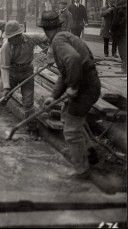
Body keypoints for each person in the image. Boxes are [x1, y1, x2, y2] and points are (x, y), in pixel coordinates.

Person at [38, 10, 101, 179]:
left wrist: (73, 86)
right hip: (88, 83)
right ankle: (88, 151)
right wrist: (54, 96)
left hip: (84, 87)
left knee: (71, 130)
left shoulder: (58, 41)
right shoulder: (66, 36)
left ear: (45, 30)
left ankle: (81, 170)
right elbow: (63, 74)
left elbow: (73, 59)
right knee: (67, 116)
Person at [0, 21, 50, 139]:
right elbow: (5, 68)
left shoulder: (31, 38)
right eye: (9, 37)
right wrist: (6, 87)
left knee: (28, 102)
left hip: (27, 72)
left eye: (12, 37)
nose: (10, 39)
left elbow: (50, 37)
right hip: (11, 73)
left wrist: (51, 53)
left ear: (19, 35)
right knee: (2, 100)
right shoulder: (6, 47)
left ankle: (32, 129)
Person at [111, 0, 127, 73]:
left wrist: (112, 30)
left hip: (122, 31)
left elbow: (116, 19)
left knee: (122, 47)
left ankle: (125, 67)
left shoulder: (121, 3)